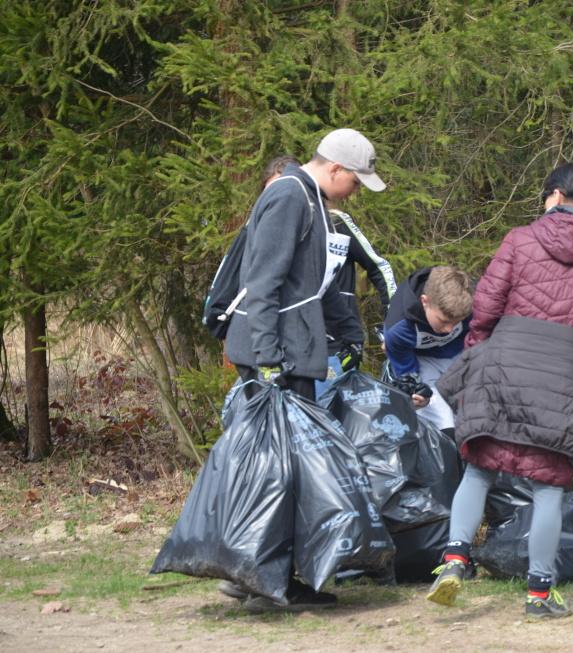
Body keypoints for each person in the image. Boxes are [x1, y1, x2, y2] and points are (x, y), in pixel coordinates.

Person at [429, 162, 573, 619]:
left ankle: (454, 560)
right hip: (566, 380)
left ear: (557, 196)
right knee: (549, 487)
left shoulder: (519, 239)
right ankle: (540, 593)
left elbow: (483, 309)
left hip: (504, 363)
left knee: (479, 469)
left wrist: (475, 360)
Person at [222, 128, 386, 610]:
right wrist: (267, 358)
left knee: (291, 470)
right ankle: (258, 576)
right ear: (335, 168)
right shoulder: (290, 197)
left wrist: (348, 334)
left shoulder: (313, 202)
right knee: (274, 471)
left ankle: (273, 575)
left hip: (297, 351)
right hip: (275, 358)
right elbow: (262, 283)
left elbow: (321, 285)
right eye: (355, 181)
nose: (356, 191)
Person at [313, 203, 397, 397]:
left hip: (337, 345)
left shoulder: (335, 221)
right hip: (288, 345)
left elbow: (379, 267)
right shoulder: (274, 223)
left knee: (334, 418)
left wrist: (393, 321)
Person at [382, 266, 473, 432]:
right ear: (425, 302)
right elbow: (408, 376)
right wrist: (417, 395)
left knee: (473, 415)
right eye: (443, 321)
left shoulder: (470, 306)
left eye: (455, 323)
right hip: (422, 360)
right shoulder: (398, 329)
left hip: (461, 355)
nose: (449, 330)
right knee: (444, 422)